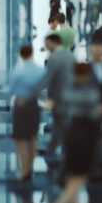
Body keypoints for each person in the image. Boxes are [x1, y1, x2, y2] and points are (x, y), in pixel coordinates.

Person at [48, 63, 102, 203]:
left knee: (72, 173)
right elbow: (95, 114)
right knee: (79, 176)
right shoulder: (91, 93)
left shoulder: (67, 91)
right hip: (85, 136)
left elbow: (60, 108)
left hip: (71, 134)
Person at [28, 34, 76, 162]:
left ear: (54, 42)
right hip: (69, 94)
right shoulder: (70, 55)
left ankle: (67, 152)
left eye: (47, 43)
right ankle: (52, 148)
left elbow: (47, 78)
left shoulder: (55, 58)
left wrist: (34, 91)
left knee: (62, 123)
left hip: (59, 95)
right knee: (60, 123)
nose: (46, 46)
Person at [9, 45, 45, 182]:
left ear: (21, 55)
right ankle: (30, 168)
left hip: (21, 104)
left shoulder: (18, 71)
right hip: (34, 104)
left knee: (19, 139)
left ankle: (25, 170)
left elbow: (11, 90)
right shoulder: (40, 70)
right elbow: (42, 88)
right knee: (32, 137)